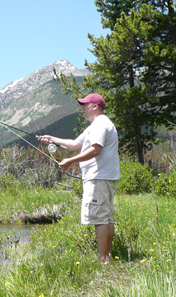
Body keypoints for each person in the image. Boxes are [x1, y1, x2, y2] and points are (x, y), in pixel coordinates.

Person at [38, 93, 120, 262]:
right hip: (104, 178)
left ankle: (103, 260)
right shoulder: (95, 126)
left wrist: (70, 161)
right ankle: (107, 257)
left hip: (99, 178)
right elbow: (75, 144)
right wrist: (52, 139)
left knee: (101, 219)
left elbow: (96, 149)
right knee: (106, 217)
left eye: (85, 105)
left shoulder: (100, 124)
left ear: (95, 106)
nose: (83, 108)